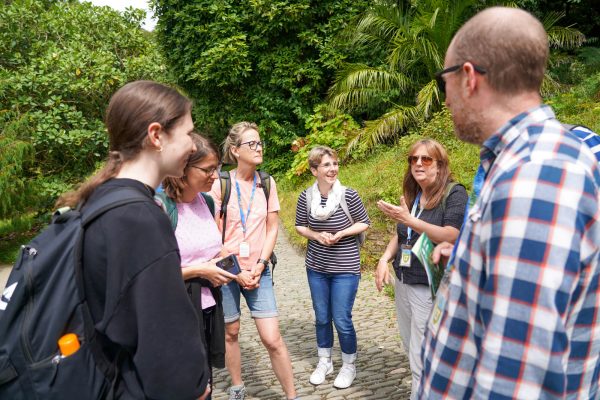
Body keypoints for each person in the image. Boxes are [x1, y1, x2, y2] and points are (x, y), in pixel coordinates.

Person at [419, 7, 600, 399]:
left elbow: (517, 380)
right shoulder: (528, 163)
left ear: (468, 77)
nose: (444, 99)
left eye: (443, 80)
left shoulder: (536, 175)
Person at [56, 80, 211, 399]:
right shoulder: (139, 218)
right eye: (187, 134)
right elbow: (162, 338)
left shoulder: (100, 201)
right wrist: (193, 388)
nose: (193, 146)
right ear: (156, 136)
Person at [209, 122, 298, 400]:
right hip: (226, 272)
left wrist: (260, 265)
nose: (258, 148)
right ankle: (237, 386)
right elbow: (212, 236)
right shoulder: (220, 185)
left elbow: (273, 228)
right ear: (235, 151)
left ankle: (292, 395)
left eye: (260, 143)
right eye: (251, 144)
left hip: (259, 270)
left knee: (272, 338)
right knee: (231, 332)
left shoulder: (267, 183)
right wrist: (237, 273)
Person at [374, 139, 467, 399]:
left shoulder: (454, 193)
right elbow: (401, 234)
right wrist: (384, 259)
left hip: (429, 286)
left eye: (426, 159)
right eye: (413, 159)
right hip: (404, 282)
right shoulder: (415, 195)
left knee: (422, 351)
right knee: (409, 344)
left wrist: (410, 220)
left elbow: (450, 234)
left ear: (440, 165)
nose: (418, 164)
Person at [159, 133, 238, 400]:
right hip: (176, 310)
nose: (215, 175)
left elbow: (214, 245)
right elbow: (151, 273)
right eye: (207, 169)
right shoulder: (161, 207)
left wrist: (227, 261)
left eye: (216, 168)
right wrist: (200, 270)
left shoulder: (207, 201)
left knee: (206, 382)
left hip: (207, 305)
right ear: (183, 168)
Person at [294, 146, 370, 389]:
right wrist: (317, 236)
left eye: (335, 164)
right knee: (322, 317)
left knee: (341, 318)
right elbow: (300, 226)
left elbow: (364, 222)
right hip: (316, 267)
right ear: (314, 170)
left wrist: (341, 233)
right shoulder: (306, 197)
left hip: (345, 268)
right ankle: (324, 361)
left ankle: (349, 365)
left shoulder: (349, 195)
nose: (333, 169)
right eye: (326, 165)